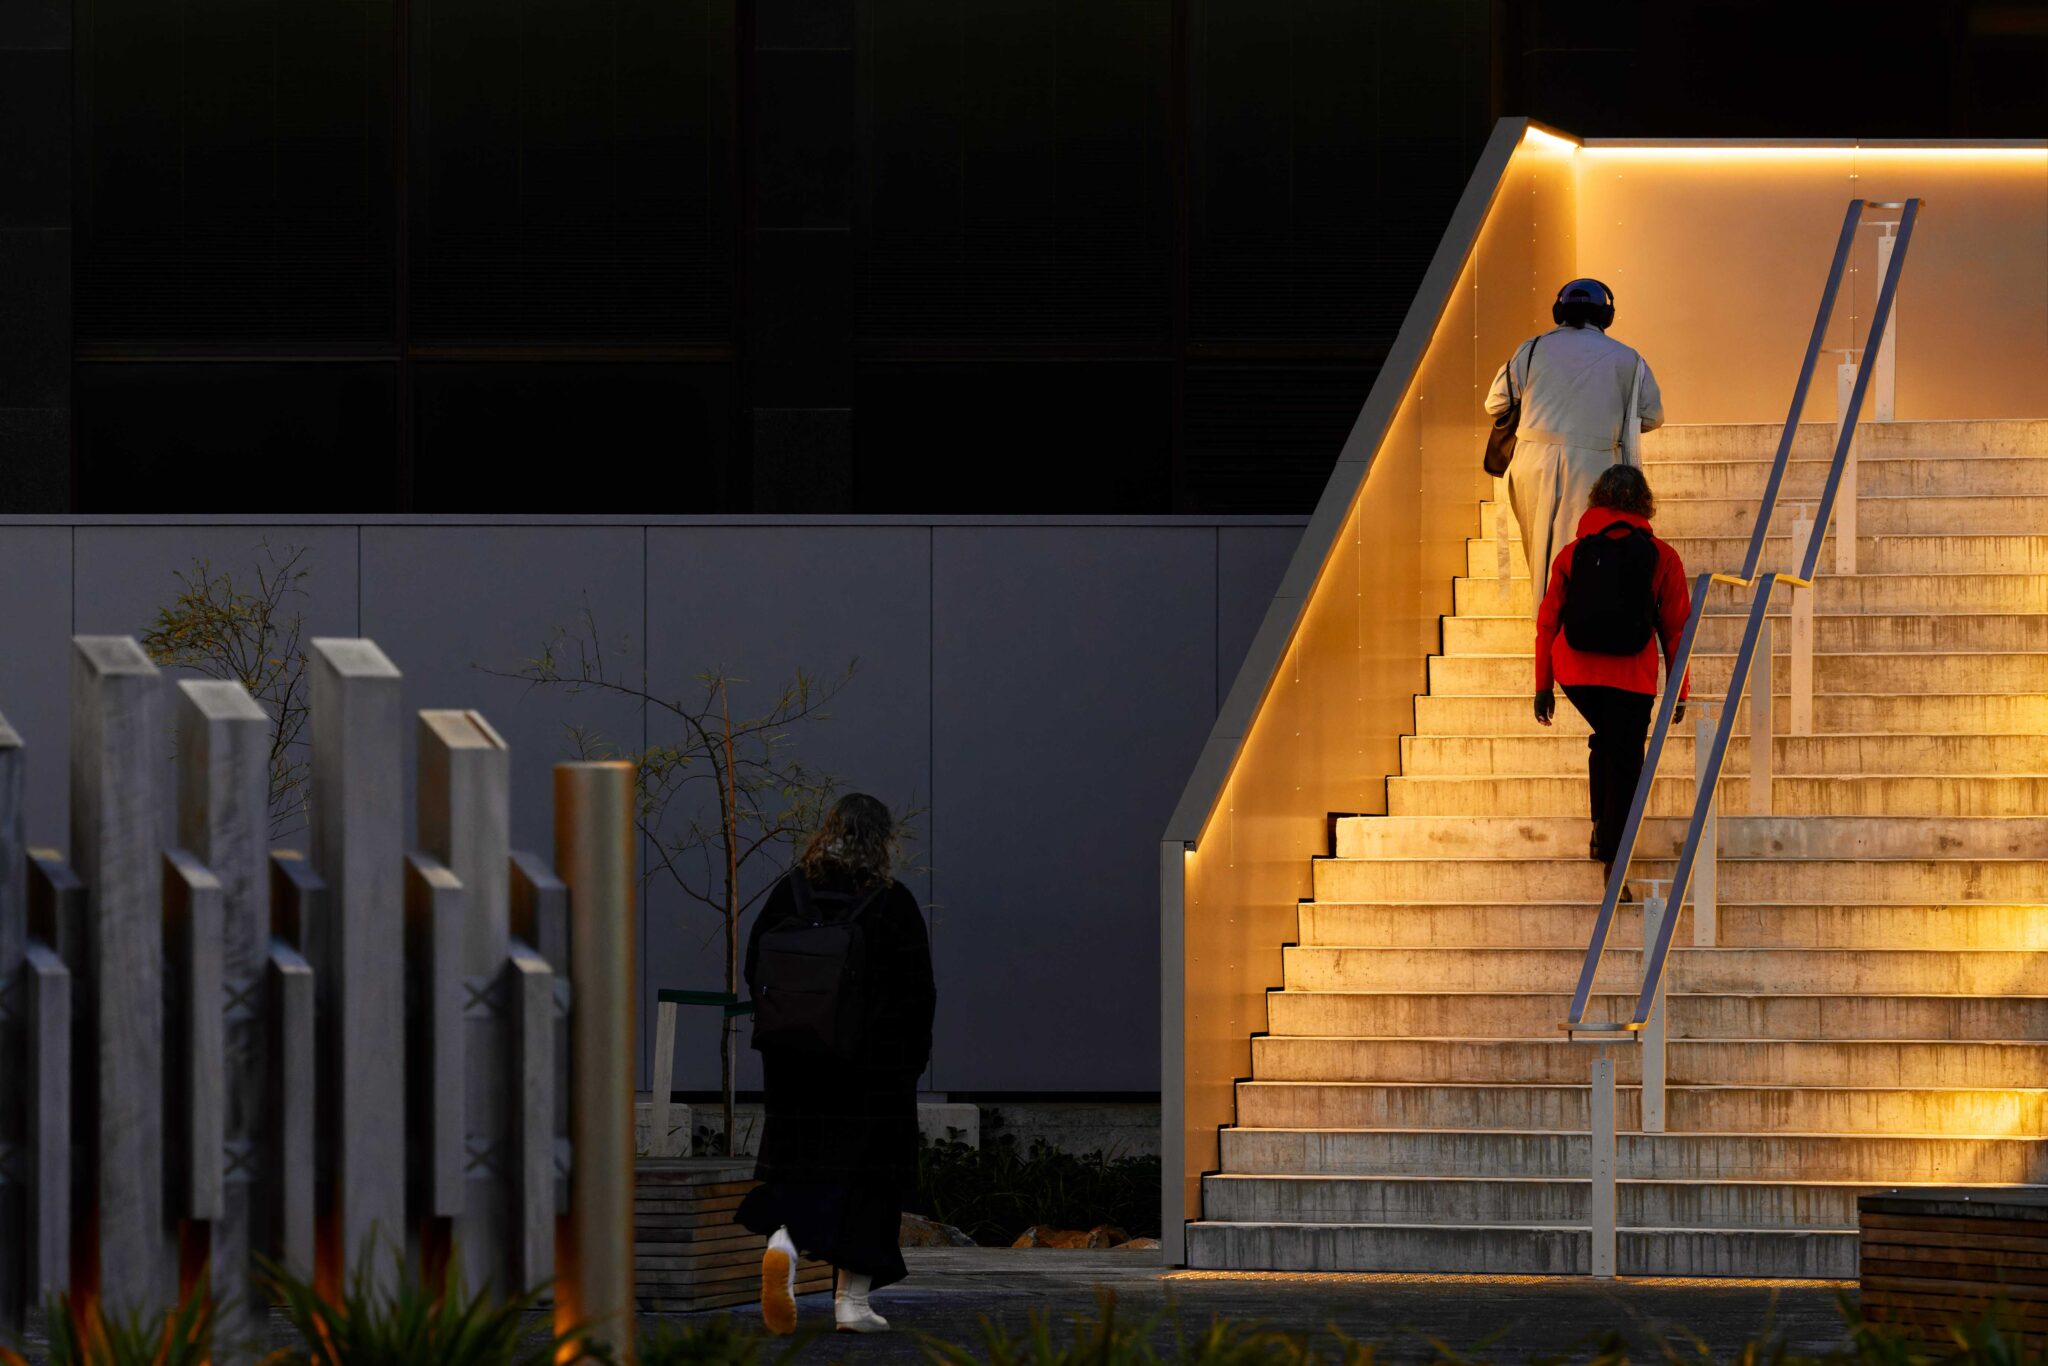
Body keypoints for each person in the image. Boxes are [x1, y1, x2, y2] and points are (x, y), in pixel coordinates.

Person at [738, 793, 935, 1337]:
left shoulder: (790, 891)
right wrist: (909, 1064)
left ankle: (784, 1245)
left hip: (794, 1066)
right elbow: (917, 994)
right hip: (870, 1074)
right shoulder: (891, 903)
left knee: (801, 1169)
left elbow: (755, 966)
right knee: (868, 1182)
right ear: (883, 840)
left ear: (827, 832)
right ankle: (851, 1304)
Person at [1533, 465, 1691, 890]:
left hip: (1576, 671)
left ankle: (1602, 824)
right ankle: (1614, 861)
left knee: (1607, 737)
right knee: (1626, 761)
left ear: (1597, 500)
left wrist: (1543, 684)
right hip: (1631, 674)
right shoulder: (1663, 557)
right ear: (1644, 505)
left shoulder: (1572, 552)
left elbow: (1548, 621)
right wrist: (1680, 690)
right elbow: (1675, 629)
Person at [1486, 278, 1665, 611]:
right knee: (1587, 552)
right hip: (1594, 464)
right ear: (1606, 315)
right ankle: (1579, 632)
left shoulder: (1532, 348)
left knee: (1541, 556)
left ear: (1560, 311)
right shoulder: (1628, 358)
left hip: (1531, 459)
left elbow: (1495, 404)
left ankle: (1545, 630)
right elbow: (1652, 415)